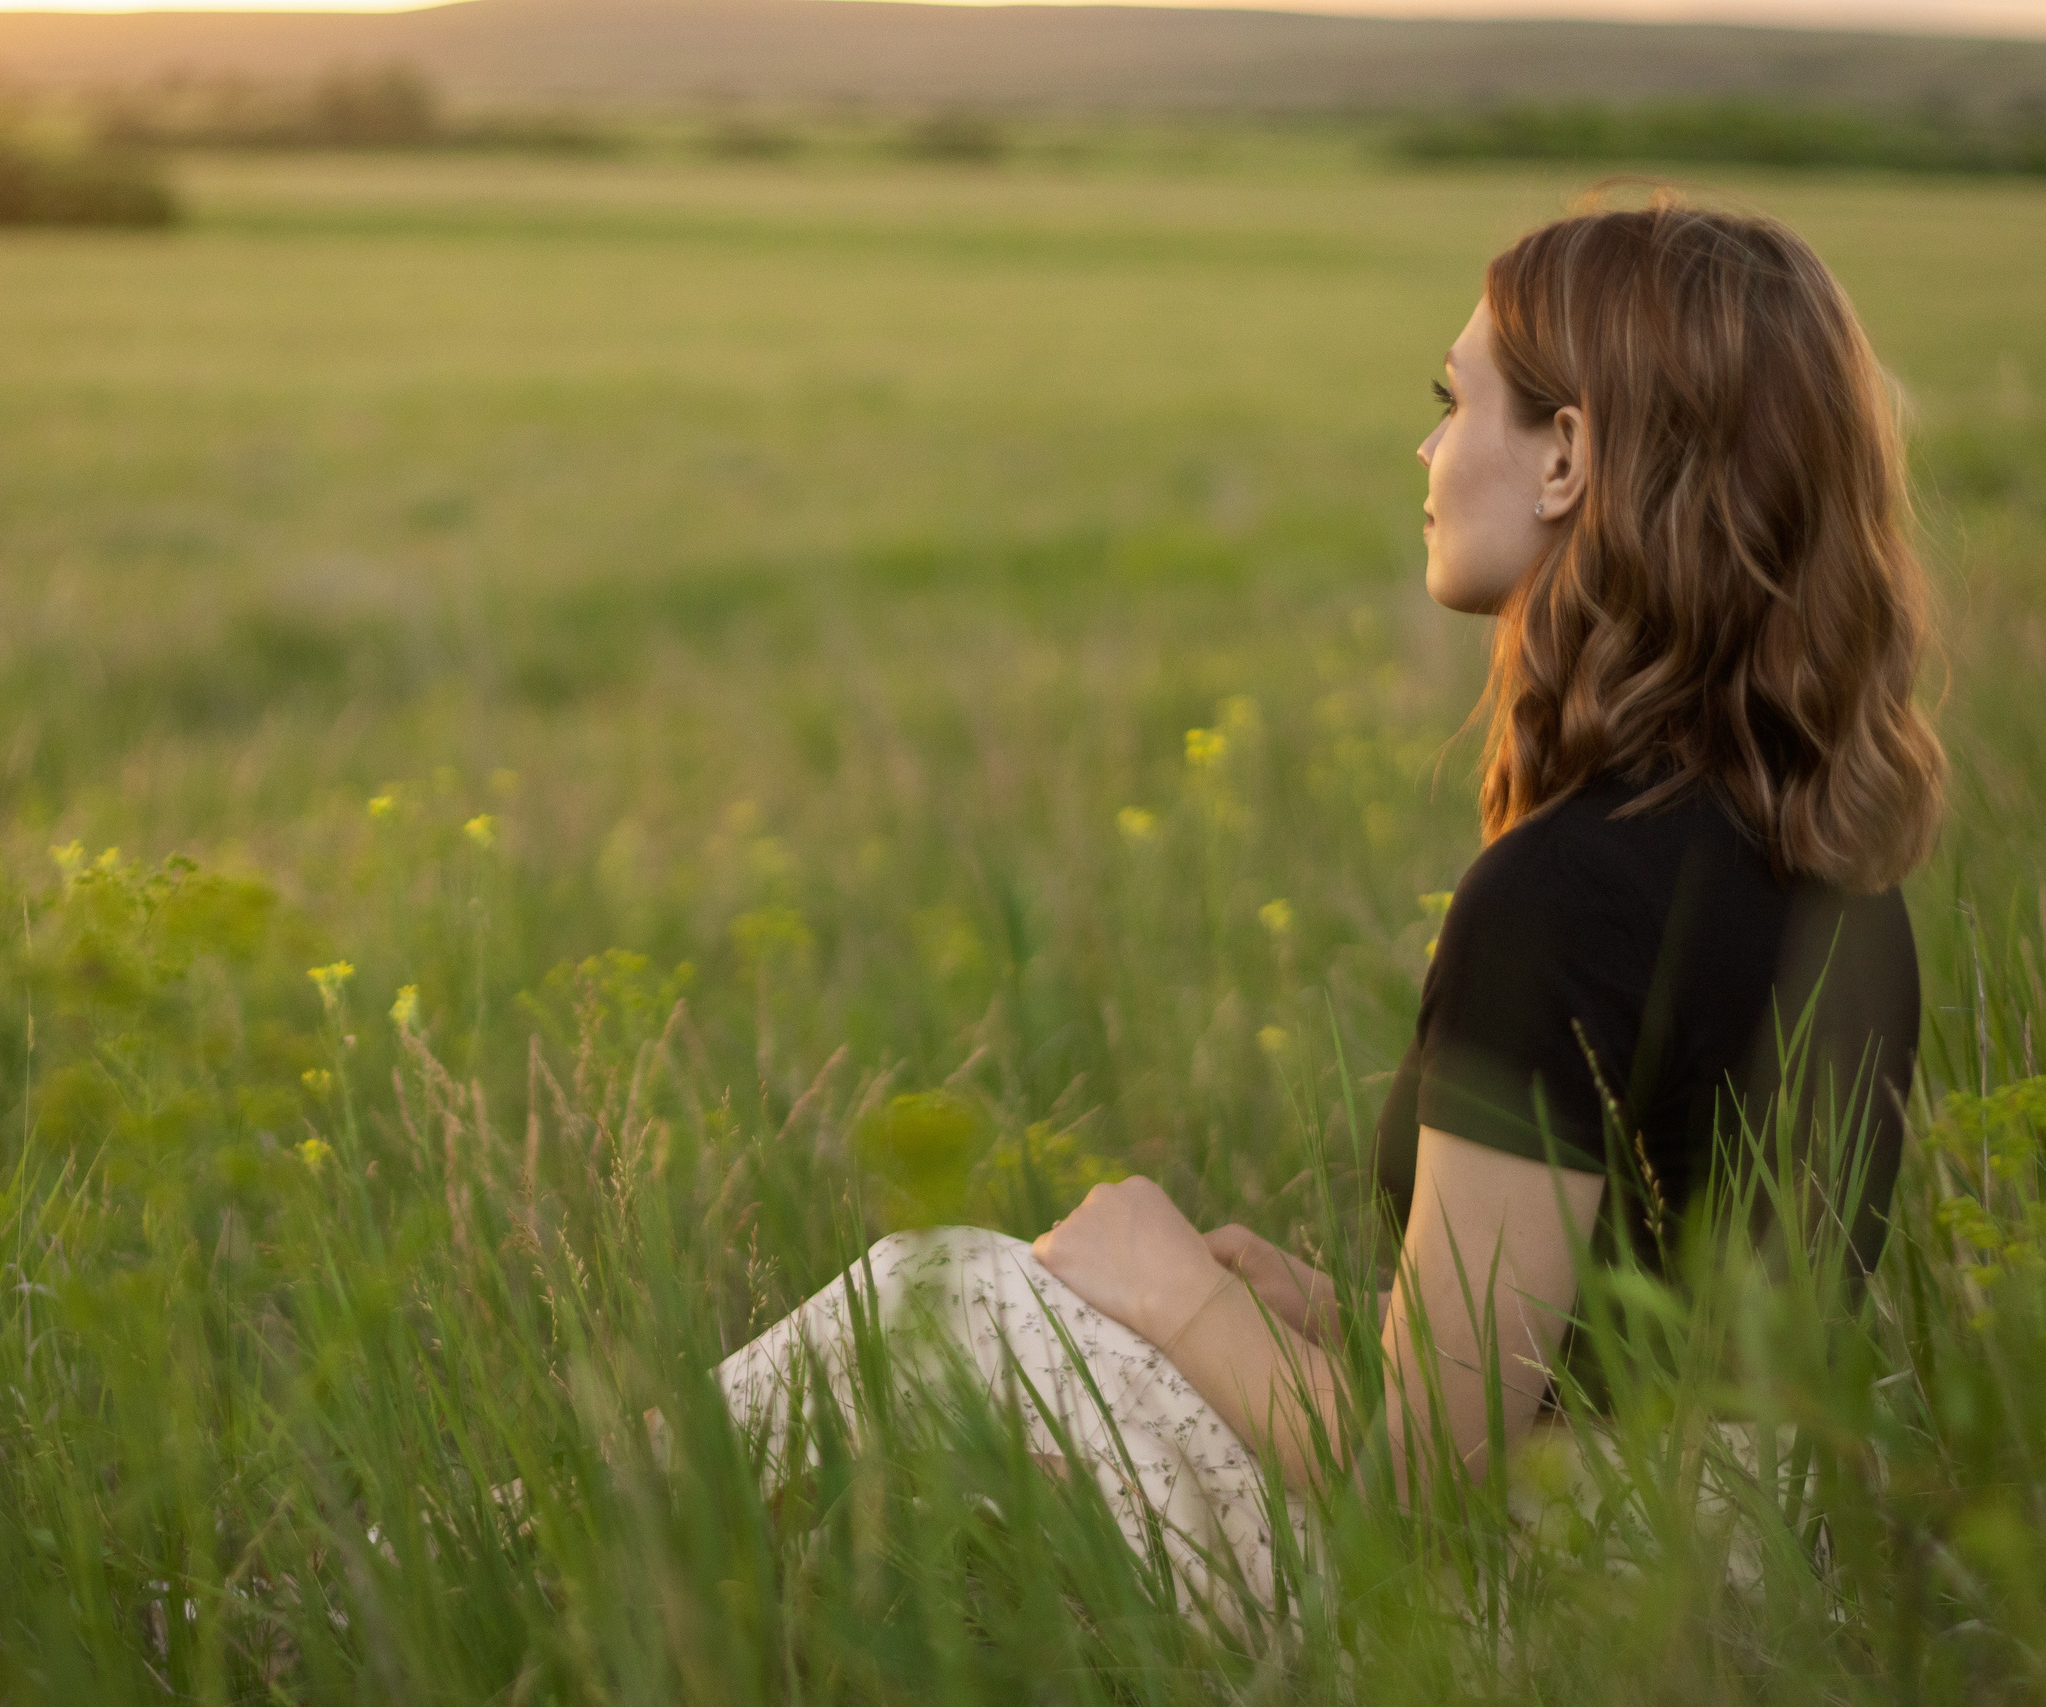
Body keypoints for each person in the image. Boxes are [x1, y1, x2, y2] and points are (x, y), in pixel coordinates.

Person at [703, 196, 1947, 1614]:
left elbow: (1421, 1500)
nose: (1425, 452)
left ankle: (493, 1553)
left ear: (1568, 457)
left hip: (1533, 1620)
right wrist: (1339, 1324)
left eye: (1452, 402)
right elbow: (1636, 1378)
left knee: (947, 1296)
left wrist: (1179, 1294)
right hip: (1734, 1596)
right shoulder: (1834, 882)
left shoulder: (1564, 894)